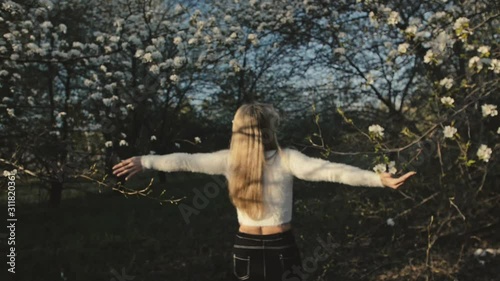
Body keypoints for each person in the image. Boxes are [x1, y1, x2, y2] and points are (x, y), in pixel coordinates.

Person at [112, 102, 416, 281]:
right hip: (280, 248)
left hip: (244, 247)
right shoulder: (287, 159)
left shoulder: (228, 161)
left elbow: (184, 161)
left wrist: (145, 161)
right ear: (269, 130)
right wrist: (377, 179)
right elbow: (332, 171)